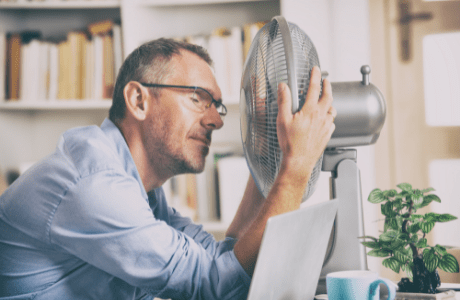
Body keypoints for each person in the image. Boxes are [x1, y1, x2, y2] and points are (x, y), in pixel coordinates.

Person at [0, 38, 336, 299]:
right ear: (138, 101)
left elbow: (224, 260)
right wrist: (296, 166)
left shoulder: (140, 189)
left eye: (217, 105)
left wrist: (267, 157)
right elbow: (216, 288)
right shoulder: (96, 186)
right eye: (197, 98)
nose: (217, 120)